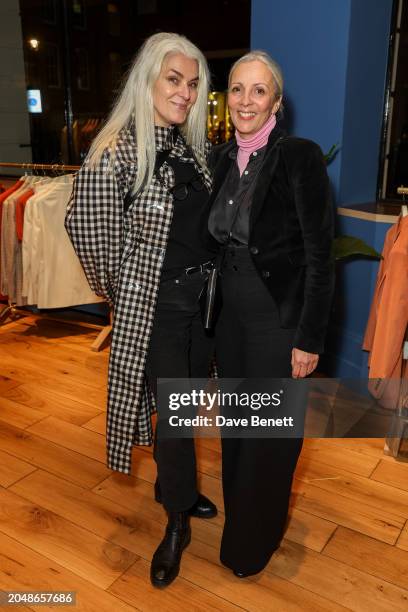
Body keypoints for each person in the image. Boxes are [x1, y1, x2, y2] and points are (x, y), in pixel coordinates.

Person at [65, 32, 219, 589]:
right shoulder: (116, 152)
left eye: (194, 83)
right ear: (147, 79)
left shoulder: (186, 146)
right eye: (174, 79)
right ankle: (176, 519)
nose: (185, 93)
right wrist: (125, 292)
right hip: (157, 308)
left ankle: (176, 489)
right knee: (175, 416)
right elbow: (85, 228)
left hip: (203, 303)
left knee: (188, 405)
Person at [208, 51, 334, 577]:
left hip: (275, 321)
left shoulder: (298, 157)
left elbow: (320, 257)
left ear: (276, 102)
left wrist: (308, 338)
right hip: (229, 321)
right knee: (236, 428)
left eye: (258, 91)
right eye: (237, 89)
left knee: (270, 435)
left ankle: (250, 545)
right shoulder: (218, 159)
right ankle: (244, 520)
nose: (245, 101)